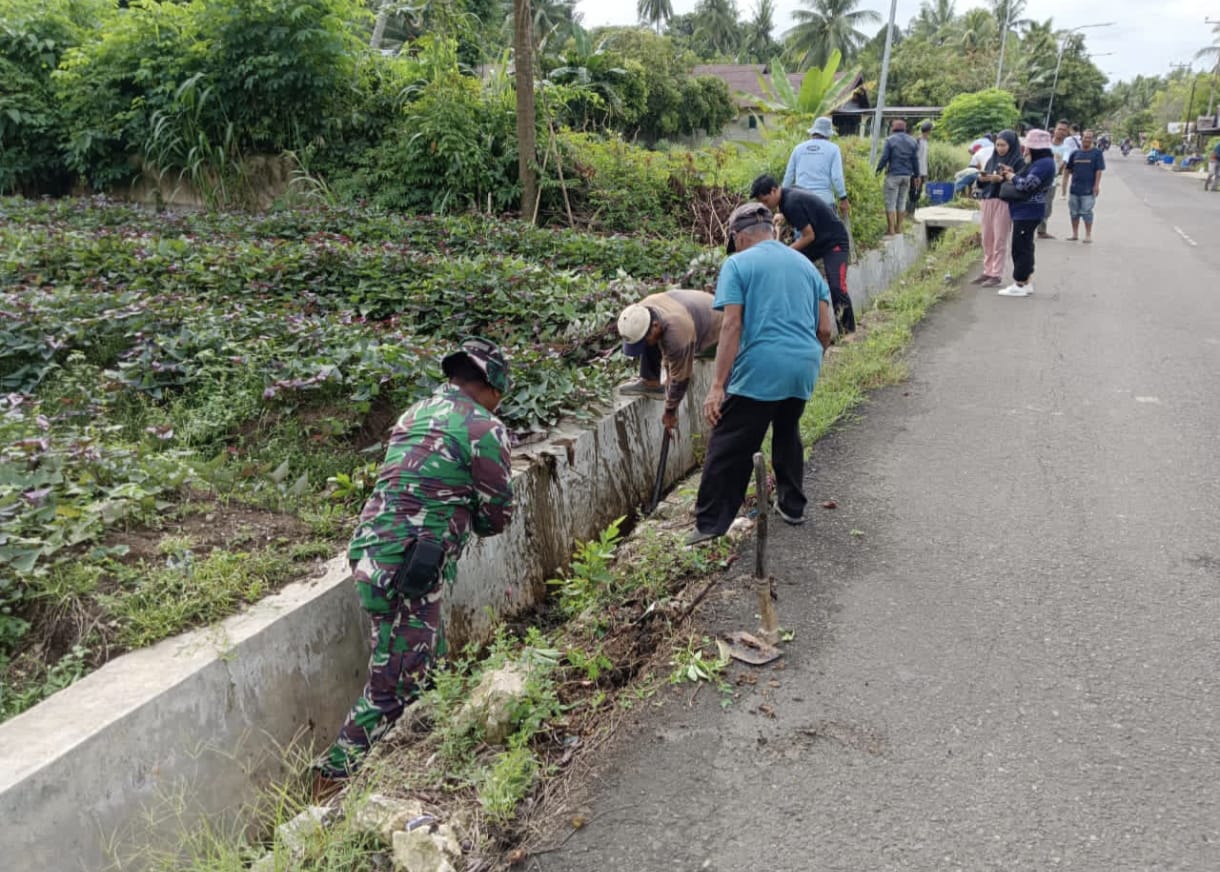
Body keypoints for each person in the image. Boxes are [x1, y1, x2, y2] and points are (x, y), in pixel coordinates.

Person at [314, 338, 514, 796]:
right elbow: (497, 514)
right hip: (407, 568)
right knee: (394, 686)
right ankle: (330, 782)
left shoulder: (415, 412)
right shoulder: (484, 427)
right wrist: (468, 516)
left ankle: (423, 756)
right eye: (500, 393)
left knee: (426, 661)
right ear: (491, 387)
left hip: (373, 551)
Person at [685, 203, 832, 546]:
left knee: (730, 444)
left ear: (738, 237)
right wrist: (807, 359)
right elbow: (825, 328)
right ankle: (792, 507)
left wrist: (717, 386)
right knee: (786, 430)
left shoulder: (737, 264)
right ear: (773, 232)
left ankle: (709, 526)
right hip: (803, 366)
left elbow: (732, 324)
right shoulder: (806, 266)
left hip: (762, 367)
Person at [750, 174, 855, 333]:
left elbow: (808, 236)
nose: (765, 205)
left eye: (765, 201)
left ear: (773, 190)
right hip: (818, 242)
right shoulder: (787, 196)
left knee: (837, 286)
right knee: (790, 269)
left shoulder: (791, 202)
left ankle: (848, 332)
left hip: (834, 242)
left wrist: (784, 252)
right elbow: (805, 210)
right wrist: (783, 216)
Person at [616, 290, 724, 432]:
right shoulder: (641, 313)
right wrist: (667, 370)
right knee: (649, 341)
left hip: (716, 330)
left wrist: (669, 412)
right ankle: (650, 383)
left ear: (655, 326)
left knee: (670, 353)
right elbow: (664, 344)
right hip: (690, 313)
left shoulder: (678, 332)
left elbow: (681, 379)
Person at [997, 128, 1057, 297]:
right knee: (1026, 246)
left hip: (1028, 211)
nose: (1026, 149)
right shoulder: (1040, 162)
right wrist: (1013, 173)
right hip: (1026, 211)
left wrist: (1011, 177)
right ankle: (1026, 281)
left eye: (1029, 146)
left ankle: (1020, 283)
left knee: (1020, 248)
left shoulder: (1044, 164)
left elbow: (1027, 185)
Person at [972, 129, 1024, 288]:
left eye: (1004, 145)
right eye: (998, 145)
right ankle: (987, 270)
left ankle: (996, 273)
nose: (1000, 148)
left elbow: (1019, 182)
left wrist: (1002, 179)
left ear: (1012, 145)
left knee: (999, 238)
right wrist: (983, 178)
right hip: (988, 200)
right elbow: (981, 182)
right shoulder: (992, 159)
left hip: (1004, 202)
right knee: (987, 237)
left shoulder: (1018, 161)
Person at [782, 116, 851, 215]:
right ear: (828, 134)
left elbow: (788, 176)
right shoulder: (834, 149)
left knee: (803, 229)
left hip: (801, 200)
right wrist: (843, 198)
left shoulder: (798, 149)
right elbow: (837, 177)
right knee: (827, 230)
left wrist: (782, 200)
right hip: (824, 202)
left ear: (813, 132)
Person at [876, 119, 920, 236]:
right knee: (901, 202)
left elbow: (884, 157)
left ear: (893, 129)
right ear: (904, 129)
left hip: (893, 175)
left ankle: (891, 229)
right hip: (906, 176)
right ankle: (899, 228)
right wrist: (916, 175)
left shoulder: (890, 140)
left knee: (890, 202)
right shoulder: (913, 141)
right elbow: (915, 160)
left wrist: (878, 170)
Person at [1062, 129, 1105, 242]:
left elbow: (1099, 171)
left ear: (1092, 139)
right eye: (1085, 137)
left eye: (1090, 137)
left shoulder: (1097, 153)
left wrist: (1096, 186)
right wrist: (1064, 187)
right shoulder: (1075, 153)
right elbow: (1068, 170)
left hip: (1088, 190)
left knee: (1087, 212)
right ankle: (1075, 234)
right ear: (1082, 138)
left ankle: (1088, 235)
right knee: (1074, 213)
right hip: (1075, 188)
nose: (1087, 139)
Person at [1039, 121, 1073, 239]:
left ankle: (1041, 231)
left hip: (1051, 182)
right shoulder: (1045, 145)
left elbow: (1064, 161)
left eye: (1064, 130)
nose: (1061, 132)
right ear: (1055, 130)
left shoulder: (1066, 148)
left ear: (1067, 132)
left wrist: (1061, 168)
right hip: (1037, 179)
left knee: (1046, 207)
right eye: (1059, 129)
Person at [908, 120, 933, 217]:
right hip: (915, 172)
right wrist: (916, 173)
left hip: (922, 172)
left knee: (918, 192)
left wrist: (925, 173)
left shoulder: (925, 142)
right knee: (914, 191)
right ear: (928, 130)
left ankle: (912, 213)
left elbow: (924, 159)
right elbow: (915, 158)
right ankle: (910, 214)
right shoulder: (917, 141)